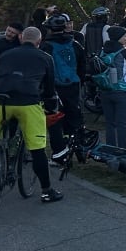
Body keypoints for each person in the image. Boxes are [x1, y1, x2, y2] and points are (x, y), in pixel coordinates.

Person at [0, 26, 64, 203]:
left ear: (21, 38)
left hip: (0, 100)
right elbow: (49, 88)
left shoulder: (5, 55)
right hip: (28, 102)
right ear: (39, 42)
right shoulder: (45, 57)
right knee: (37, 148)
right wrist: (50, 105)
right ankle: (46, 190)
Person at [41, 14, 86, 164]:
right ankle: (79, 151)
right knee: (74, 118)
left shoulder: (46, 46)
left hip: (54, 87)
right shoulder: (75, 44)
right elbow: (82, 66)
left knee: (54, 120)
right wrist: (79, 80)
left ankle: (59, 154)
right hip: (73, 85)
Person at [97, 25, 126, 149]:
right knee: (122, 124)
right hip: (123, 91)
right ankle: (122, 150)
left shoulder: (103, 51)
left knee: (110, 123)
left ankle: (111, 149)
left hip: (105, 90)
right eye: (125, 35)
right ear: (118, 37)